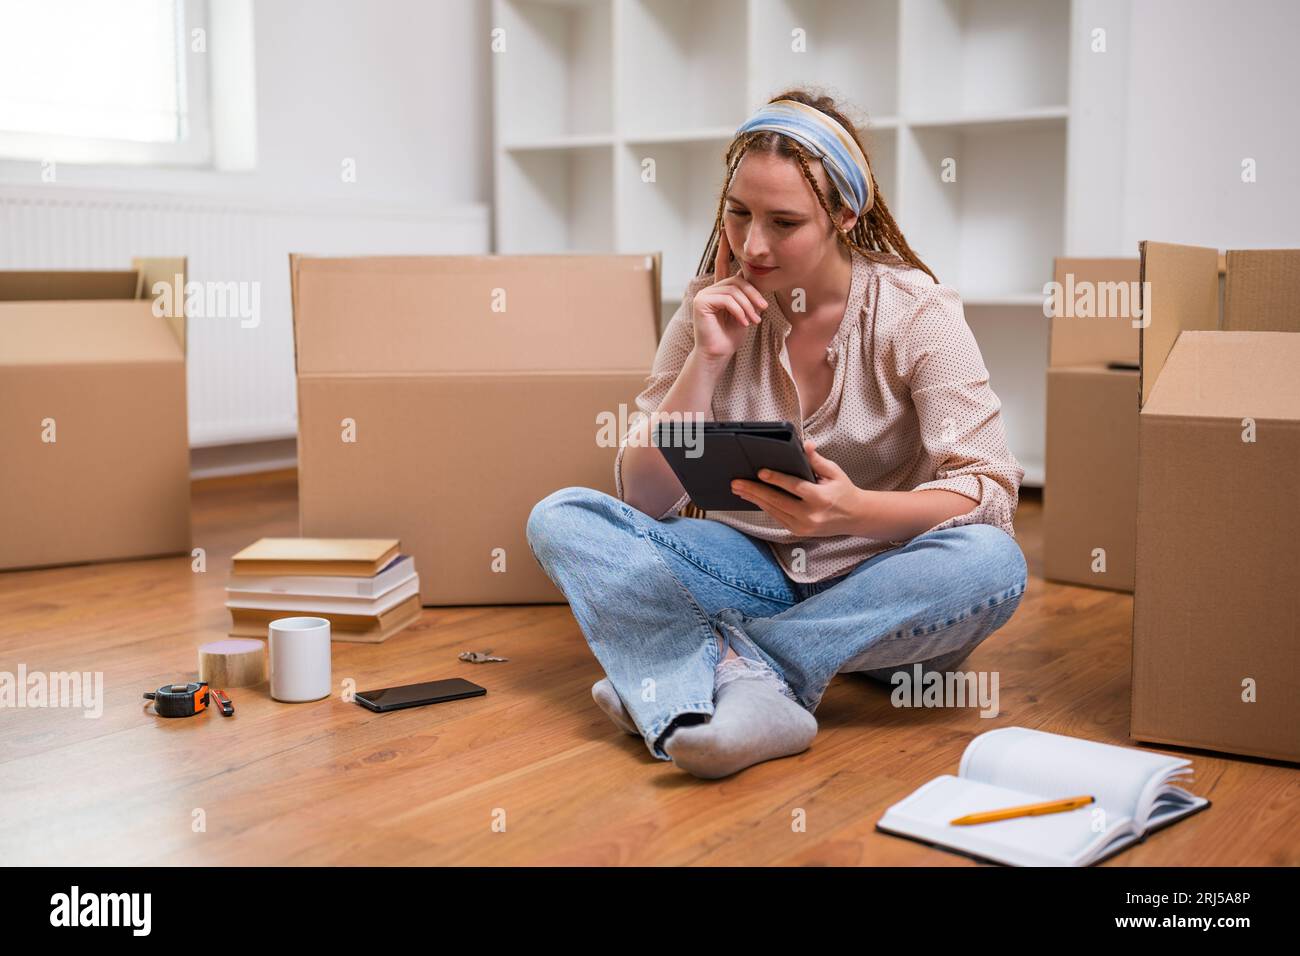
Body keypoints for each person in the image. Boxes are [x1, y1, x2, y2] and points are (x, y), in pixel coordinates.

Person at [526, 89, 1028, 779]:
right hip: (749, 568)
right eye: (738, 214)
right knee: (563, 517)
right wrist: (706, 359)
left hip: (888, 595)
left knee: (992, 562)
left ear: (844, 215)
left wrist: (856, 511)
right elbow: (644, 499)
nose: (751, 245)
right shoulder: (708, 307)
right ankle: (751, 686)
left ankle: (707, 672)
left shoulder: (916, 315)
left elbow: (989, 488)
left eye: (783, 222)